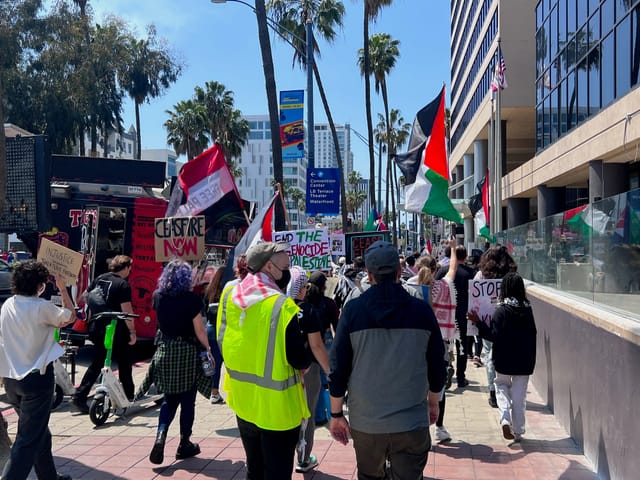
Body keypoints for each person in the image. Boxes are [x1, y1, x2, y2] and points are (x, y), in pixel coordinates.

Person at [329, 240, 446, 479]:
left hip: (366, 423)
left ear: (369, 275)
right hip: (411, 422)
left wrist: (336, 414)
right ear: (400, 272)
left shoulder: (353, 311)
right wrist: (433, 402)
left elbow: (338, 368)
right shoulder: (421, 310)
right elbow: (437, 364)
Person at [216, 242, 311, 480]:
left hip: (243, 402)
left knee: (254, 470)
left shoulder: (230, 295)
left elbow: (222, 339)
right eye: (286, 266)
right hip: (277, 410)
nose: (288, 272)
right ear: (269, 266)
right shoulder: (281, 305)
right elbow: (300, 360)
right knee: (277, 474)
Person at [0, 260, 75, 480]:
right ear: (40, 285)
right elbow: (70, 316)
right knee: (27, 440)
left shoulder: (8, 305)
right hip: (36, 381)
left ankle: (50, 477)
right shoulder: (41, 307)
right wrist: (62, 288)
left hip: (12, 380)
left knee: (40, 434)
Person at [148, 260, 212, 464]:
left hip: (165, 350)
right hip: (187, 352)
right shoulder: (191, 300)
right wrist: (208, 348)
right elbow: (199, 329)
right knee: (187, 400)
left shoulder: (158, 296)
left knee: (169, 399)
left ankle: (160, 435)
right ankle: (184, 442)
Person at [468, 272, 536, 442]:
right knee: (520, 397)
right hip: (524, 361)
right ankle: (519, 431)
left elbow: (493, 335)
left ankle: (505, 417)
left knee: (501, 386)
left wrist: (478, 322)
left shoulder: (501, 311)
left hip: (504, 359)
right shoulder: (528, 310)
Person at [73, 255, 136, 413]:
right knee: (124, 361)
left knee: (98, 361)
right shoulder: (123, 285)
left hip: (97, 326)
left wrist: (99, 308)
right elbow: (127, 311)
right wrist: (133, 331)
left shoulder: (100, 278)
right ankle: (128, 395)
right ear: (126, 268)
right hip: (115, 329)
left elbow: (84, 297)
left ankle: (80, 395)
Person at [286, 267, 330, 473]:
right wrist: (330, 370)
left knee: (287, 413)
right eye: (303, 285)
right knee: (308, 414)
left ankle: (284, 453)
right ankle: (303, 458)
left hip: (282, 369)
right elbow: (317, 345)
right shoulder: (307, 310)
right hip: (309, 368)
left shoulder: (278, 308)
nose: (305, 289)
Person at [416, 239, 458, 444]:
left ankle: (420, 430)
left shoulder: (412, 289)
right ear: (435, 269)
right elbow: (452, 267)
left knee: (419, 387)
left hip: (417, 343)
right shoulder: (444, 286)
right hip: (441, 343)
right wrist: (453, 247)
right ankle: (439, 427)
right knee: (438, 385)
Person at [474, 245, 518, 408]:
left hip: (488, 320)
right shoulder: (511, 275)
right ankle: (506, 388)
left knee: (489, 354)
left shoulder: (481, 275)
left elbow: (475, 297)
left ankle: (494, 391)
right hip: (508, 319)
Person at [435, 245, 476, 389]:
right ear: (465, 257)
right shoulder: (471, 273)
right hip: (463, 315)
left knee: (444, 345)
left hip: (445, 315)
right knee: (462, 347)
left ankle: (445, 372)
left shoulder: (442, 271)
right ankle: (460, 377)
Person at [204, 267, 226, 405]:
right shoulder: (227, 292)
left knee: (215, 363)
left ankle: (214, 391)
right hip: (222, 330)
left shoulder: (209, 291)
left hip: (210, 329)